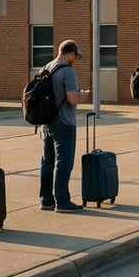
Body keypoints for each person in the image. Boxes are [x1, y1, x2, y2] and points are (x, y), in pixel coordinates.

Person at [39, 40, 90, 213]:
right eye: (74, 56)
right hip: (64, 122)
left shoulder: (46, 68)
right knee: (64, 162)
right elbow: (72, 98)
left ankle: (46, 200)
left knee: (47, 161)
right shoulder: (68, 72)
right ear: (70, 54)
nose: (74, 60)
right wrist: (82, 95)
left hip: (46, 122)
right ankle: (62, 200)